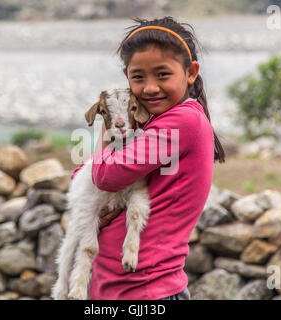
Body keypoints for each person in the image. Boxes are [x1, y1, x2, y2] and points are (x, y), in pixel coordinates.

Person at [69, 16, 225, 300]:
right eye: (138, 77)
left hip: (149, 292)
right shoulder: (149, 123)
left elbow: (104, 176)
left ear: (190, 73)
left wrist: (107, 124)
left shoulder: (183, 121)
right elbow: (83, 180)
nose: (150, 88)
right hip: (115, 290)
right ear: (126, 76)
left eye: (162, 75)